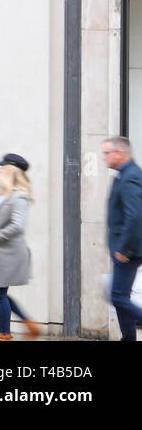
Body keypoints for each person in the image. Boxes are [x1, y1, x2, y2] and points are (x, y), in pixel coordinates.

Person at [0, 153, 38, 340]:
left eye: (3, 167)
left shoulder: (20, 197)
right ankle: (27, 322)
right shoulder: (5, 190)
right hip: (1, 252)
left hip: (8, 253)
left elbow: (17, 226)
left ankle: (5, 334)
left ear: (10, 170)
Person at [103, 136, 142, 340]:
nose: (104, 157)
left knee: (118, 296)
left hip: (129, 249)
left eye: (106, 153)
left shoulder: (130, 176)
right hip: (125, 246)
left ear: (119, 153)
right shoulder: (124, 174)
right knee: (120, 296)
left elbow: (134, 215)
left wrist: (125, 248)